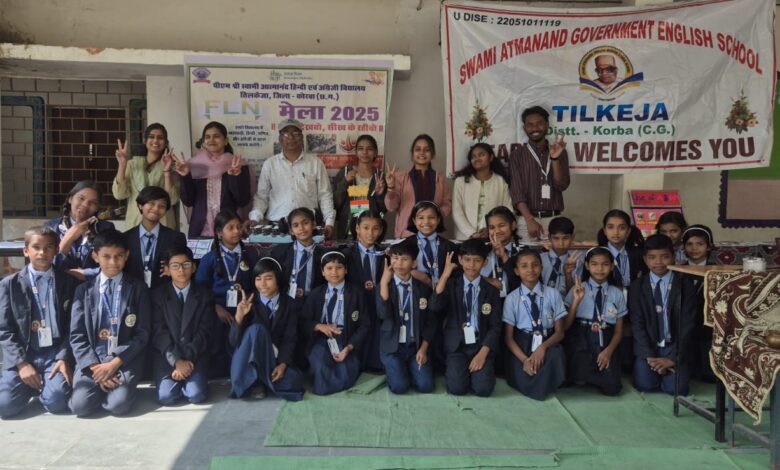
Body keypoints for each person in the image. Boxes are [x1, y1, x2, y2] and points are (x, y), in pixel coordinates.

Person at [69, 230, 150, 417]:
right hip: (93, 360)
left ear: (127, 255)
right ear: (95, 256)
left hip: (124, 359)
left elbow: (143, 333)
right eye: (106, 256)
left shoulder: (138, 288)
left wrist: (114, 363)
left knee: (118, 406)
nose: (113, 262)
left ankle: (112, 391)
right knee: (80, 407)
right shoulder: (83, 291)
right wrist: (94, 368)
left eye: (118, 256)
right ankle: (96, 387)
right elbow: (77, 334)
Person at [0, 227, 76, 418]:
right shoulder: (9, 285)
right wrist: (21, 363)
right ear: (26, 251)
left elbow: (74, 326)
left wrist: (63, 357)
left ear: (56, 250)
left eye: (48, 247)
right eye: (36, 247)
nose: (42, 252)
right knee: (5, 406)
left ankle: (44, 387)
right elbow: (4, 329)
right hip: (25, 352)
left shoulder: (68, 282)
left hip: (55, 351)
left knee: (57, 402)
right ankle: (30, 383)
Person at [431, 240, 502, 397]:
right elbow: (435, 306)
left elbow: (495, 326)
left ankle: (478, 373)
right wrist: (445, 274)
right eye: (467, 260)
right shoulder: (451, 285)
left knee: (483, 389)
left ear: (485, 263)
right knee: (457, 388)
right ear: (460, 260)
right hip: (457, 346)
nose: (471, 265)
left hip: (481, 344)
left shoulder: (491, 290)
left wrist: (482, 354)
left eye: (477, 260)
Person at [229, 257, 305, 401]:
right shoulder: (248, 302)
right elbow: (233, 342)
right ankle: (257, 380)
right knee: (256, 329)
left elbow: (290, 338)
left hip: (272, 359)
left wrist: (283, 364)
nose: (262, 284)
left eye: (268, 278)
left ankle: (259, 381)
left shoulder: (290, 304)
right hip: (248, 361)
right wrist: (239, 317)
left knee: (295, 381)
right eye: (258, 279)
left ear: (278, 279)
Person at [630, 234, 696, 396]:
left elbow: (688, 324)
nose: (658, 262)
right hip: (649, 346)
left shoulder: (684, 284)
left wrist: (673, 358)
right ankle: (655, 367)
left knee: (677, 390)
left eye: (665, 256)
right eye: (652, 257)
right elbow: (637, 324)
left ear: (673, 257)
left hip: (674, 346)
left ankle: (670, 367)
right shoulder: (637, 286)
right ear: (645, 260)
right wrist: (650, 356)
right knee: (645, 385)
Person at [248, 119, 336, 239]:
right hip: (277, 227)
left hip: (308, 227)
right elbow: (262, 197)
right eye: (286, 133)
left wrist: (329, 222)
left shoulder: (315, 163)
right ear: (280, 139)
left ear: (302, 138)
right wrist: (255, 218)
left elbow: (324, 195)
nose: (291, 137)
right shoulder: (270, 164)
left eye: (295, 133)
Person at [195, 210, 257, 378]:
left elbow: (257, 285)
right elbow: (200, 289)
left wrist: (247, 304)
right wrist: (215, 307)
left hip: (244, 308)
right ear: (219, 232)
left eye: (238, 226)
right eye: (230, 228)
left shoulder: (251, 255)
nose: (236, 231)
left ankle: (244, 369)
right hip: (218, 310)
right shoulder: (209, 258)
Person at [150, 246, 213, 406]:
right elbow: (159, 332)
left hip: (195, 354)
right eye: (175, 266)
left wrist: (187, 360)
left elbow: (205, 331)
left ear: (194, 267)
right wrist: (177, 361)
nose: (181, 270)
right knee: (166, 397)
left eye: (186, 265)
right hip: (167, 356)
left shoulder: (205, 294)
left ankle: (188, 382)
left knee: (197, 395)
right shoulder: (157, 295)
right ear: (167, 269)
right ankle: (179, 383)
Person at [503, 248, 566, 400]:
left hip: (548, 342)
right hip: (522, 343)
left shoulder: (553, 294)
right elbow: (508, 338)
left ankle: (539, 384)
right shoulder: (511, 298)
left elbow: (560, 332)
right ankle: (539, 382)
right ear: (516, 271)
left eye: (535, 265)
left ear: (541, 268)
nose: (530, 269)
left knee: (556, 355)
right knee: (525, 370)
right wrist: (525, 360)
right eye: (524, 266)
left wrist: (542, 348)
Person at [302, 252, 369, 395]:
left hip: (347, 338)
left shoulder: (356, 293)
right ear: (322, 272)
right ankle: (322, 384)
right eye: (329, 268)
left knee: (345, 373)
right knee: (320, 365)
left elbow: (364, 325)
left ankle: (327, 383)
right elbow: (303, 321)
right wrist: (319, 326)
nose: (334, 272)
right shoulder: (316, 293)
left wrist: (349, 347)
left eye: (339, 267)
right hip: (322, 338)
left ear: (346, 270)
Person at [563, 247, 626, 395]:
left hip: (606, 337)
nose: (600, 269)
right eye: (594, 264)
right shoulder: (577, 289)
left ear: (612, 266)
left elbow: (618, 331)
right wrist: (576, 301)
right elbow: (565, 326)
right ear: (587, 266)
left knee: (612, 388)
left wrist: (608, 352)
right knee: (577, 375)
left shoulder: (617, 293)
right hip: (581, 336)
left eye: (605, 264)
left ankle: (593, 374)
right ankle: (583, 374)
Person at [376, 240, 436, 395]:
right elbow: (383, 314)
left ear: (414, 263)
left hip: (415, 347)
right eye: (395, 258)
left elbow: (431, 323)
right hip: (393, 348)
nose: (399, 263)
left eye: (404, 259)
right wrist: (384, 283)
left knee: (426, 386)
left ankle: (408, 369)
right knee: (399, 387)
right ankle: (396, 369)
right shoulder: (384, 287)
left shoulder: (422, 289)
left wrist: (423, 349)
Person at [175, 121, 252, 238]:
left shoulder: (237, 165)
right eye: (207, 137)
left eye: (216, 136)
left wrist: (234, 176)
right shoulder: (194, 165)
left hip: (230, 230)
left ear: (225, 141)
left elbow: (243, 201)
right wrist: (185, 176)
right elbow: (188, 201)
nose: (211, 140)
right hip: (201, 230)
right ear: (203, 142)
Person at [508, 106, 570, 241]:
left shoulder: (560, 151)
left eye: (539, 123)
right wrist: (529, 219)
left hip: (553, 220)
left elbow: (561, 185)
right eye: (530, 125)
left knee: (552, 254)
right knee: (526, 254)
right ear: (524, 128)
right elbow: (516, 192)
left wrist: (554, 159)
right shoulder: (517, 155)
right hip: (526, 221)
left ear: (547, 125)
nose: (535, 128)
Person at [342, 210, 387, 371]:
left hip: (377, 302)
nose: (370, 233)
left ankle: (374, 362)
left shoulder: (385, 255)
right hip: (355, 304)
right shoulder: (346, 255)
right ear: (357, 228)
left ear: (380, 231)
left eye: (375, 228)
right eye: (366, 227)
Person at [112, 123, 180, 228]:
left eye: (160, 138)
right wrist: (122, 164)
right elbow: (119, 194)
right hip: (136, 223)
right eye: (151, 137)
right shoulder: (132, 164)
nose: (155, 141)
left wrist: (167, 171)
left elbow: (172, 199)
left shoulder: (173, 165)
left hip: (163, 224)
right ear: (145, 140)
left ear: (166, 142)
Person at [385, 134, 452, 239]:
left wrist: (436, 216)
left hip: (432, 235)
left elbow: (447, 203)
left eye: (427, 150)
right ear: (412, 153)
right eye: (418, 149)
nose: (422, 153)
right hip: (406, 234)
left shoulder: (439, 178)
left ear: (432, 154)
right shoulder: (401, 177)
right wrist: (390, 188)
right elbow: (391, 207)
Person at [44, 181, 115, 279]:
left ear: (97, 207)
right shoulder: (51, 227)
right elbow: (45, 266)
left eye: (93, 202)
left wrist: (86, 273)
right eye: (81, 198)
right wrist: (70, 236)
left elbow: (113, 265)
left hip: (93, 287)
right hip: (60, 286)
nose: (85, 204)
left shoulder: (106, 228)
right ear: (70, 199)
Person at [123, 186, 187, 289]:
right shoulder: (125, 238)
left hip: (164, 294)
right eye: (151, 203)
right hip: (133, 293)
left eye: (162, 206)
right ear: (140, 205)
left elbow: (183, 265)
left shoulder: (176, 238)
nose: (156, 208)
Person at [452, 143, 513, 240]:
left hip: (494, 237)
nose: (477, 159)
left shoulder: (500, 181)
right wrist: (472, 233)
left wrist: (490, 229)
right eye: (473, 157)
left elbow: (507, 210)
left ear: (491, 158)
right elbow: (457, 212)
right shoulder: (461, 181)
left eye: (481, 155)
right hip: (466, 238)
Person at [332, 135, 387, 239]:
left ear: (375, 152)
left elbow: (383, 209)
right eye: (361, 149)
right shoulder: (345, 172)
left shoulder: (380, 176)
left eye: (369, 149)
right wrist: (345, 182)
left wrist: (379, 195)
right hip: (347, 230)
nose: (365, 152)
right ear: (356, 152)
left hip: (371, 233)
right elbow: (335, 203)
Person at [682, 225, 716, 382]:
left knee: (709, 374)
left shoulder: (717, 270)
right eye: (689, 244)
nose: (694, 248)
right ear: (683, 247)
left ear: (709, 246)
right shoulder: (678, 269)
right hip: (684, 321)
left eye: (700, 244)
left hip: (707, 324)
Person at [405, 201, 457, 290]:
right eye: (421, 218)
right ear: (414, 221)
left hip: (443, 292)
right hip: (414, 292)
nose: (426, 222)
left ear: (438, 220)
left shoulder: (451, 247)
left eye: (431, 217)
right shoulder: (405, 245)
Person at [597, 209, 647, 290]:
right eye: (610, 227)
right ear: (605, 231)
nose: (616, 232)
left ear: (628, 231)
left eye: (622, 228)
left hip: (633, 296)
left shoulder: (638, 254)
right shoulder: (596, 254)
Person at [481, 206, 523, 298]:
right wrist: (486, 280)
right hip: (485, 303)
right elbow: (465, 276)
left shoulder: (523, 252)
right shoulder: (481, 250)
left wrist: (504, 256)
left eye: (501, 226)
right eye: (492, 227)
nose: (497, 231)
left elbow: (523, 284)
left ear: (513, 225)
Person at [541, 217, 583, 298]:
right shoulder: (539, 260)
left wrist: (568, 274)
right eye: (556, 238)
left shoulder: (577, 263)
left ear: (572, 237)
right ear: (549, 237)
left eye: (565, 238)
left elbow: (574, 295)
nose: (561, 243)